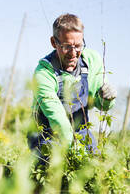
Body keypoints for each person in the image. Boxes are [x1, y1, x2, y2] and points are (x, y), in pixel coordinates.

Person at [29, 13, 117, 156]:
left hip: (81, 131)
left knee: (96, 164)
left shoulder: (90, 61)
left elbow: (98, 103)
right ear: (53, 42)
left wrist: (107, 99)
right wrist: (74, 148)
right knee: (50, 162)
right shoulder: (44, 73)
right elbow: (56, 116)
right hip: (45, 134)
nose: (73, 53)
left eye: (78, 46)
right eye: (66, 46)